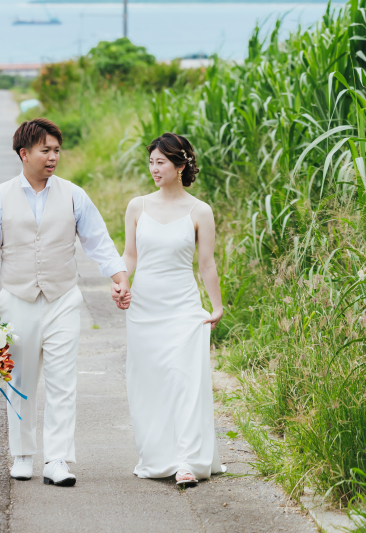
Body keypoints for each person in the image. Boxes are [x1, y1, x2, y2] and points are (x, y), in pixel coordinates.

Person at [0, 117, 130, 486]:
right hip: (17, 299)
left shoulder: (74, 195)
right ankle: (23, 455)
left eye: (57, 150)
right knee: (20, 380)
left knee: (62, 382)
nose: (53, 157)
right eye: (46, 150)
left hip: (63, 299)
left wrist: (119, 277)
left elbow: (98, 241)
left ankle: (57, 460)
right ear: (24, 153)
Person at [120, 132, 225, 486]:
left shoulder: (200, 211)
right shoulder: (137, 206)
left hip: (183, 306)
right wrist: (120, 282)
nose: (154, 168)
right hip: (143, 308)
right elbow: (130, 256)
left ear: (180, 166)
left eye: (160, 162)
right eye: (151, 162)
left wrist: (216, 305)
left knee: (185, 380)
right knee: (149, 382)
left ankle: (187, 461)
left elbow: (206, 264)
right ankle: (157, 455)